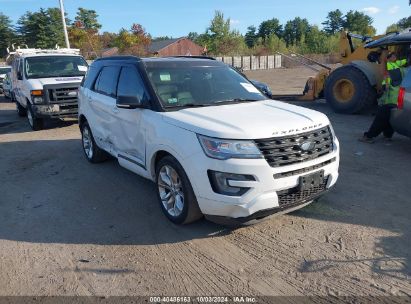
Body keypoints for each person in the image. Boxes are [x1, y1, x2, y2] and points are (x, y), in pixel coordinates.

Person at [360, 52, 407, 143]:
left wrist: (384, 85)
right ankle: (387, 135)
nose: (395, 57)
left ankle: (369, 136)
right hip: (398, 99)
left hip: (391, 99)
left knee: (380, 118)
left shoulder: (391, 66)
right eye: (393, 56)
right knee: (390, 116)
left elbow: (387, 78)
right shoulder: (399, 67)